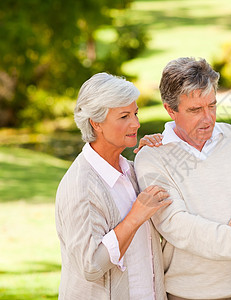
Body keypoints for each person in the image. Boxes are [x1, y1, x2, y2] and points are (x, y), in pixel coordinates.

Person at [134, 57, 231, 300]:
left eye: (212, 106)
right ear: (170, 109)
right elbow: (179, 227)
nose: (208, 119)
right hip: (191, 294)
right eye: (195, 110)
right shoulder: (152, 158)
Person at [55, 72, 171, 300]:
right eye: (124, 116)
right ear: (96, 122)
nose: (136, 123)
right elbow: (91, 266)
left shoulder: (131, 171)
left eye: (135, 113)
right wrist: (136, 216)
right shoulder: (81, 186)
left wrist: (151, 157)